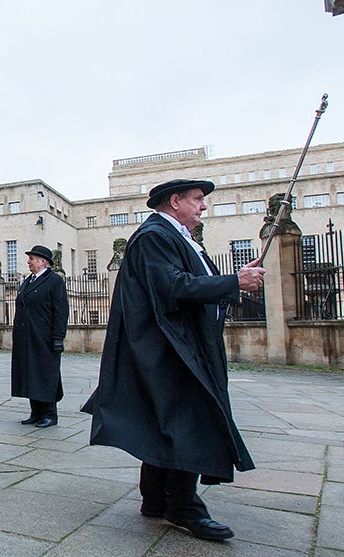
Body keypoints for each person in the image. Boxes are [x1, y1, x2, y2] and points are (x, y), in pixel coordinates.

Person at [82, 179, 266, 541]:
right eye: (198, 200)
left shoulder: (179, 238)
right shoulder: (155, 236)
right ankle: (183, 505)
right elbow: (174, 286)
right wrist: (234, 282)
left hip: (184, 346)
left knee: (164, 421)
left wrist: (236, 278)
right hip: (170, 350)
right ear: (175, 200)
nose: (204, 206)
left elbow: (195, 280)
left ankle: (155, 497)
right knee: (190, 422)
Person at [11, 245, 69, 428]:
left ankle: (50, 414)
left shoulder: (54, 281)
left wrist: (58, 337)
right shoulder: (28, 281)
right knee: (30, 374)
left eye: (32, 258)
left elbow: (61, 311)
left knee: (45, 375)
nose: (29, 262)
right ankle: (35, 412)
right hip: (26, 337)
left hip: (44, 337)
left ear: (43, 262)